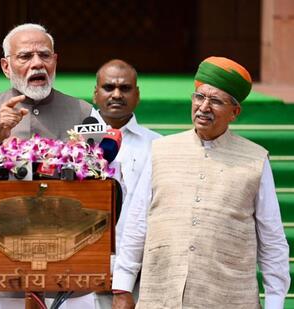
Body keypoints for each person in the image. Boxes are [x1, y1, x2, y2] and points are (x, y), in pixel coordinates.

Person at [112, 57, 290, 309]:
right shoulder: (161, 150)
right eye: (199, 97)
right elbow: (137, 221)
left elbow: (272, 239)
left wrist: (274, 302)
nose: (203, 107)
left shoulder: (255, 160)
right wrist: (123, 285)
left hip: (228, 298)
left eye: (216, 101)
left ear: (235, 112)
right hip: (161, 296)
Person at [0, 23, 103, 309]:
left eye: (44, 55)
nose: (37, 63)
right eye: (25, 57)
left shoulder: (85, 113)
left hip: (71, 274)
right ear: (6, 66)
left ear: (55, 61)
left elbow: (111, 184)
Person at [91, 59, 161, 309]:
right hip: (80, 276)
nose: (117, 94)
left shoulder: (159, 146)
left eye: (125, 88)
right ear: (95, 93)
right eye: (109, 87)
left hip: (138, 275)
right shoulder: (71, 143)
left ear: (137, 94)